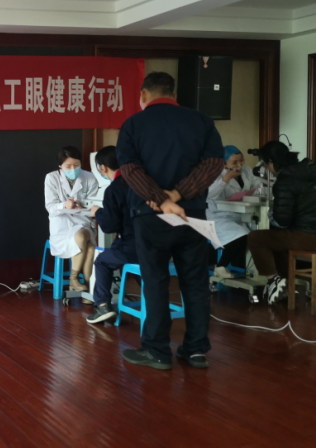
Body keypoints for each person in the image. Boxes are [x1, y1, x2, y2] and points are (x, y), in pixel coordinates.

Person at [116, 72, 224, 370]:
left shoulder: (133, 124)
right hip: (192, 216)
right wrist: (178, 195)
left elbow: (130, 169)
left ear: (143, 95)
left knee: (155, 282)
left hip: (150, 217)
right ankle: (196, 349)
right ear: (173, 95)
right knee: (195, 282)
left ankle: (157, 350)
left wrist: (161, 200)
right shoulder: (201, 121)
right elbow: (213, 164)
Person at [247, 141, 316, 305]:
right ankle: (286, 283)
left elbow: (282, 221)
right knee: (277, 240)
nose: (267, 169)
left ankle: (274, 280)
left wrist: (272, 213)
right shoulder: (310, 170)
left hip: (306, 235)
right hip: (310, 233)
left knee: (256, 238)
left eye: (266, 164)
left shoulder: (285, 180)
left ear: (271, 162)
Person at [87, 146, 138, 324]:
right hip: (161, 245)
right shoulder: (143, 181)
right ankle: (154, 298)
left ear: (103, 168)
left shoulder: (115, 188)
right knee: (132, 257)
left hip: (133, 246)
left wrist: (98, 212)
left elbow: (109, 226)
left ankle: (102, 305)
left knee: (102, 261)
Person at [44, 146, 98, 298]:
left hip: (83, 222)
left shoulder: (89, 177)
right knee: (90, 249)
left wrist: (83, 206)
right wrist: (64, 205)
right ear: (60, 166)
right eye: (68, 166)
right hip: (62, 225)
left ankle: (75, 280)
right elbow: (50, 207)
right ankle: (87, 289)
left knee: (81, 236)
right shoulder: (52, 178)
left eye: (76, 165)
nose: (73, 169)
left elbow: (94, 205)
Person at [206, 145, 265, 279]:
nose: (239, 165)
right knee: (242, 235)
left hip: (242, 214)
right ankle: (221, 266)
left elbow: (258, 186)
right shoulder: (214, 174)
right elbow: (209, 194)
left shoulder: (247, 170)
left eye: (241, 160)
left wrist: (260, 192)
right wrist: (225, 179)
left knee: (259, 235)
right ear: (223, 164)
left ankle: (257, 271)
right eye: (234, 162)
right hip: (220, 217)